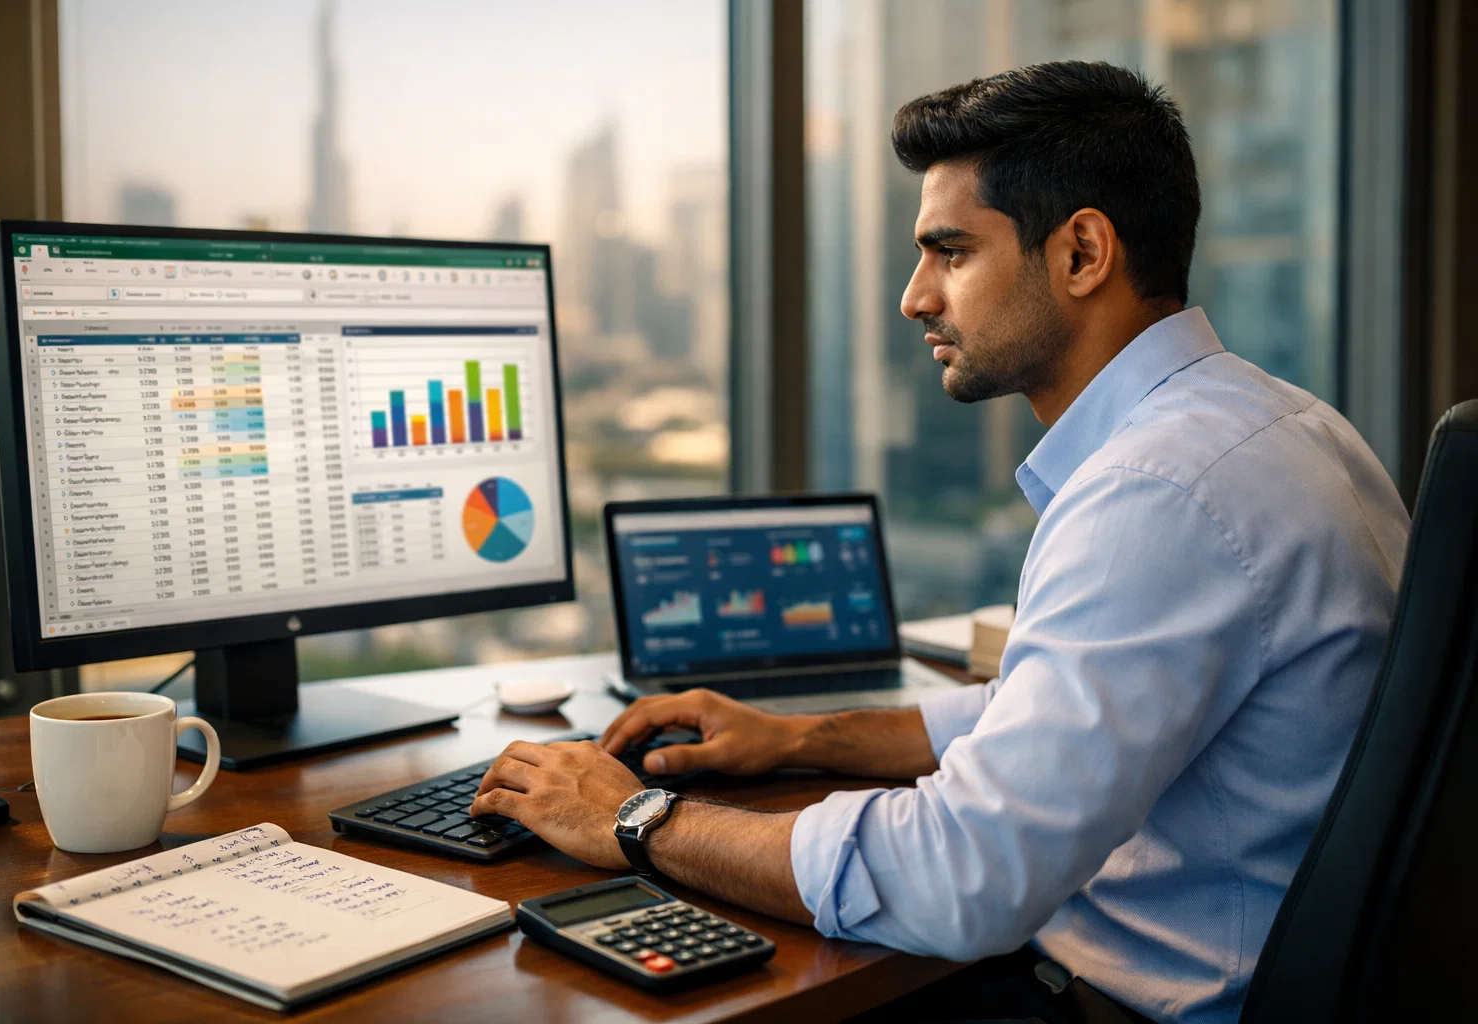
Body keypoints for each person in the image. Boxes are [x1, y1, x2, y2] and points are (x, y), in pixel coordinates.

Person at [472, 61, 1410, 1023]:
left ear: (1082, 252)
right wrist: (799, 737)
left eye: (950, 252)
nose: (916, 297)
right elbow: (1051, 711)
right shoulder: (1286, 425)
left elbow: (961, 878)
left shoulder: (1156, 494)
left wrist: (634, 816)